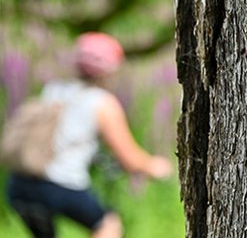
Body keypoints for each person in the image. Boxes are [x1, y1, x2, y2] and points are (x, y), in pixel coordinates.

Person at [5, 33, 173, 238]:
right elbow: (131, 160)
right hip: (59, 185)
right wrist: (157, 167)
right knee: (108, 225)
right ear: (110, 71)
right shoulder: (102, 103)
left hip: (19, 184)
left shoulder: (54, 90)